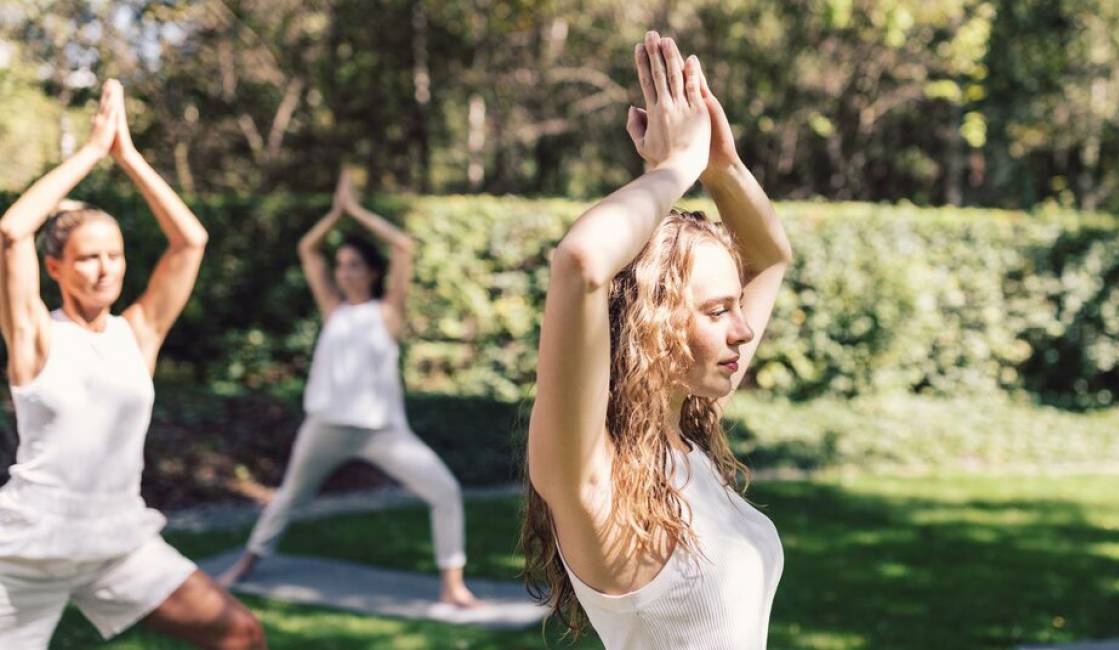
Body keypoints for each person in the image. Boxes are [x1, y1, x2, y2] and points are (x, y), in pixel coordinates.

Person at [521, 31, 793, 648]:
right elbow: (582, 260)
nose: (744, 328)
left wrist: (721, 167)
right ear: (653, 326)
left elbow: (771, 258)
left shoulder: (684, 428)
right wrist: (678, 168)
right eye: (718, 309)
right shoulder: (591, 477)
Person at [0, 80, 265, 649]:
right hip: (28, 551)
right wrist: (92, 152)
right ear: (56, 269)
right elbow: (12, 230)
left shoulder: (138, 333)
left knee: (240, 635)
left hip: (118, 542)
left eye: (114, 255)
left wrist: (129, 156)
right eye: (88, 257)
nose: (104, 269)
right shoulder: (35, 335)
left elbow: (190, 240)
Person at [217, 170, 479, 609]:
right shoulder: (333, 309)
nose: (344, 273)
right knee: (288, 498)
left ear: (372, 271)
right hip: (326, 427)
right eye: (340, 266)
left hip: (382, 432)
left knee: (445, 491)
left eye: (353, 265)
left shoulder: (387, 313)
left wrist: (356, 212)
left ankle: (452, 585)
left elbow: (405, 247)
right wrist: (334, 214)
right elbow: (307, 249)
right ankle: (245, 563)